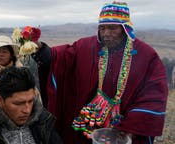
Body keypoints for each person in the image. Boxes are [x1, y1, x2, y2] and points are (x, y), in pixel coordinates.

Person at [31, 1, 168, 144]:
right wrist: (43, 51)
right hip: (88, 127)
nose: (106, 34)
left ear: (125, 28)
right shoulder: (88, 46)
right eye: (102, 28)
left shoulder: (146, 56)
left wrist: (131, 127)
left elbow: (153, 97)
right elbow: (64, 57)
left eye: (112, 28)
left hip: (126, 129)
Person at [0, 66, 63, 144]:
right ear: (0, 100)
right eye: (19, 103)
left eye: (31, 101)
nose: (27, 110)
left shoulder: (44, 123)